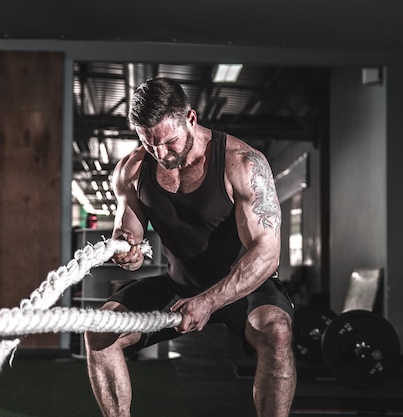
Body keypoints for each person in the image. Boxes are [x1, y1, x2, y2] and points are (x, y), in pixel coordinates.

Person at [84, 77, 296, 417]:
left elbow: (267, 253)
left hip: (241, 286)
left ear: (191, 119)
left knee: (276, 331)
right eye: (150, 144)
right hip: (180, 284)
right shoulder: (133, 170)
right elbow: (128, 232)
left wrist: (209, 300)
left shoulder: (241, 163)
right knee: (99, 331)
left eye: (169, 142)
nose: (161, 154)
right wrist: (126, 250)